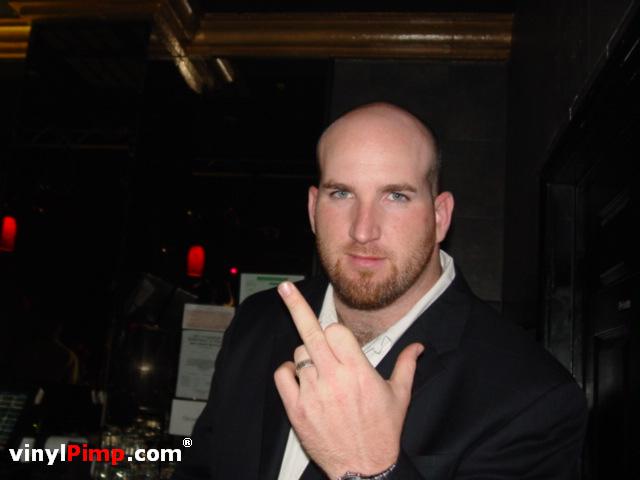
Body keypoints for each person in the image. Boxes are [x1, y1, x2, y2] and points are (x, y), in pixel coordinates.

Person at [173, 103, 587, 480]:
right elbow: (199, 463)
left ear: (440, 217)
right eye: (341, 193)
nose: (363, 230)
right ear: (313, 209)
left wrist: (371, 471)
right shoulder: (258, 321)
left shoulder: (531, 398)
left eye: (396, 196)